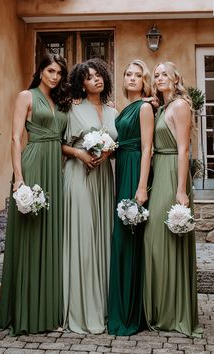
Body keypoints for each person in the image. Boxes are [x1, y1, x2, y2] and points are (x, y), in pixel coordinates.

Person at [0, 54, 71, 336]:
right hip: (34, 164)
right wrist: (20, 180)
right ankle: (25, 311)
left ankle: (48, 309)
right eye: (50, 70)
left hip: (55, 170)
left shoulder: (60, 102)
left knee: (50, 236)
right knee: (29, 238)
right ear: (39, 70)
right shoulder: (26, 96)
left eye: (60, 73)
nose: (55, 76)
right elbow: (15, 138)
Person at [143, 61, 202, 337]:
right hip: (160, 173)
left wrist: (180, 189)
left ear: (176, 78)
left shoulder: (178, 105)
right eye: (156, 75)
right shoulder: (162, 107)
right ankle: (162, 307)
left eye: (165, 73)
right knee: (155, 239)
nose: (160, 77)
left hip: (172, 175)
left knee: (167, 238)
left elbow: (184, 148)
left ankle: (173, 312)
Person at [62, 58, 118, 334]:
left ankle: (105, 306)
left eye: (99, 75)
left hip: (104, 179)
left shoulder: (113, 111)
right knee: (84, 238)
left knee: (103, 237)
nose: (96, 79)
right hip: (79, 176)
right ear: (80, 84)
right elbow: (60, 144)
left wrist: (109, 152)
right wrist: (79, 153)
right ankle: (82, 308)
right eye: (89, 76)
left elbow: (118, 143)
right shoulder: (72, 110)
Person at [108, 59, 154, 335]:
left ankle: (130, 313)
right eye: (128, 74)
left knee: (130, 236)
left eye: (138, 75)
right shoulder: (125, 108)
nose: (132, 78)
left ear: (144, 80)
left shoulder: (145, 107)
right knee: (121, 236)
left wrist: (141, 187)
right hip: (122, 164)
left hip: (136, 168)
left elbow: (147, 148)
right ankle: (120, 307)